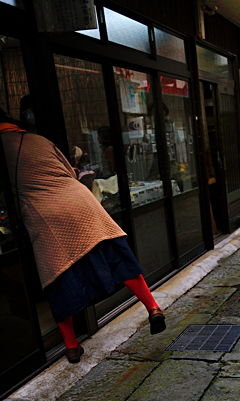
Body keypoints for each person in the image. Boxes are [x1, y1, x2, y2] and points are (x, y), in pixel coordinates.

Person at [0, 109, 166, 364]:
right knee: (115, 254)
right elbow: (70, 171)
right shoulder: (39, 140)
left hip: (45, 214)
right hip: (80, 202)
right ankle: (153, 307)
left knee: (58, 277)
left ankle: (71, 346)